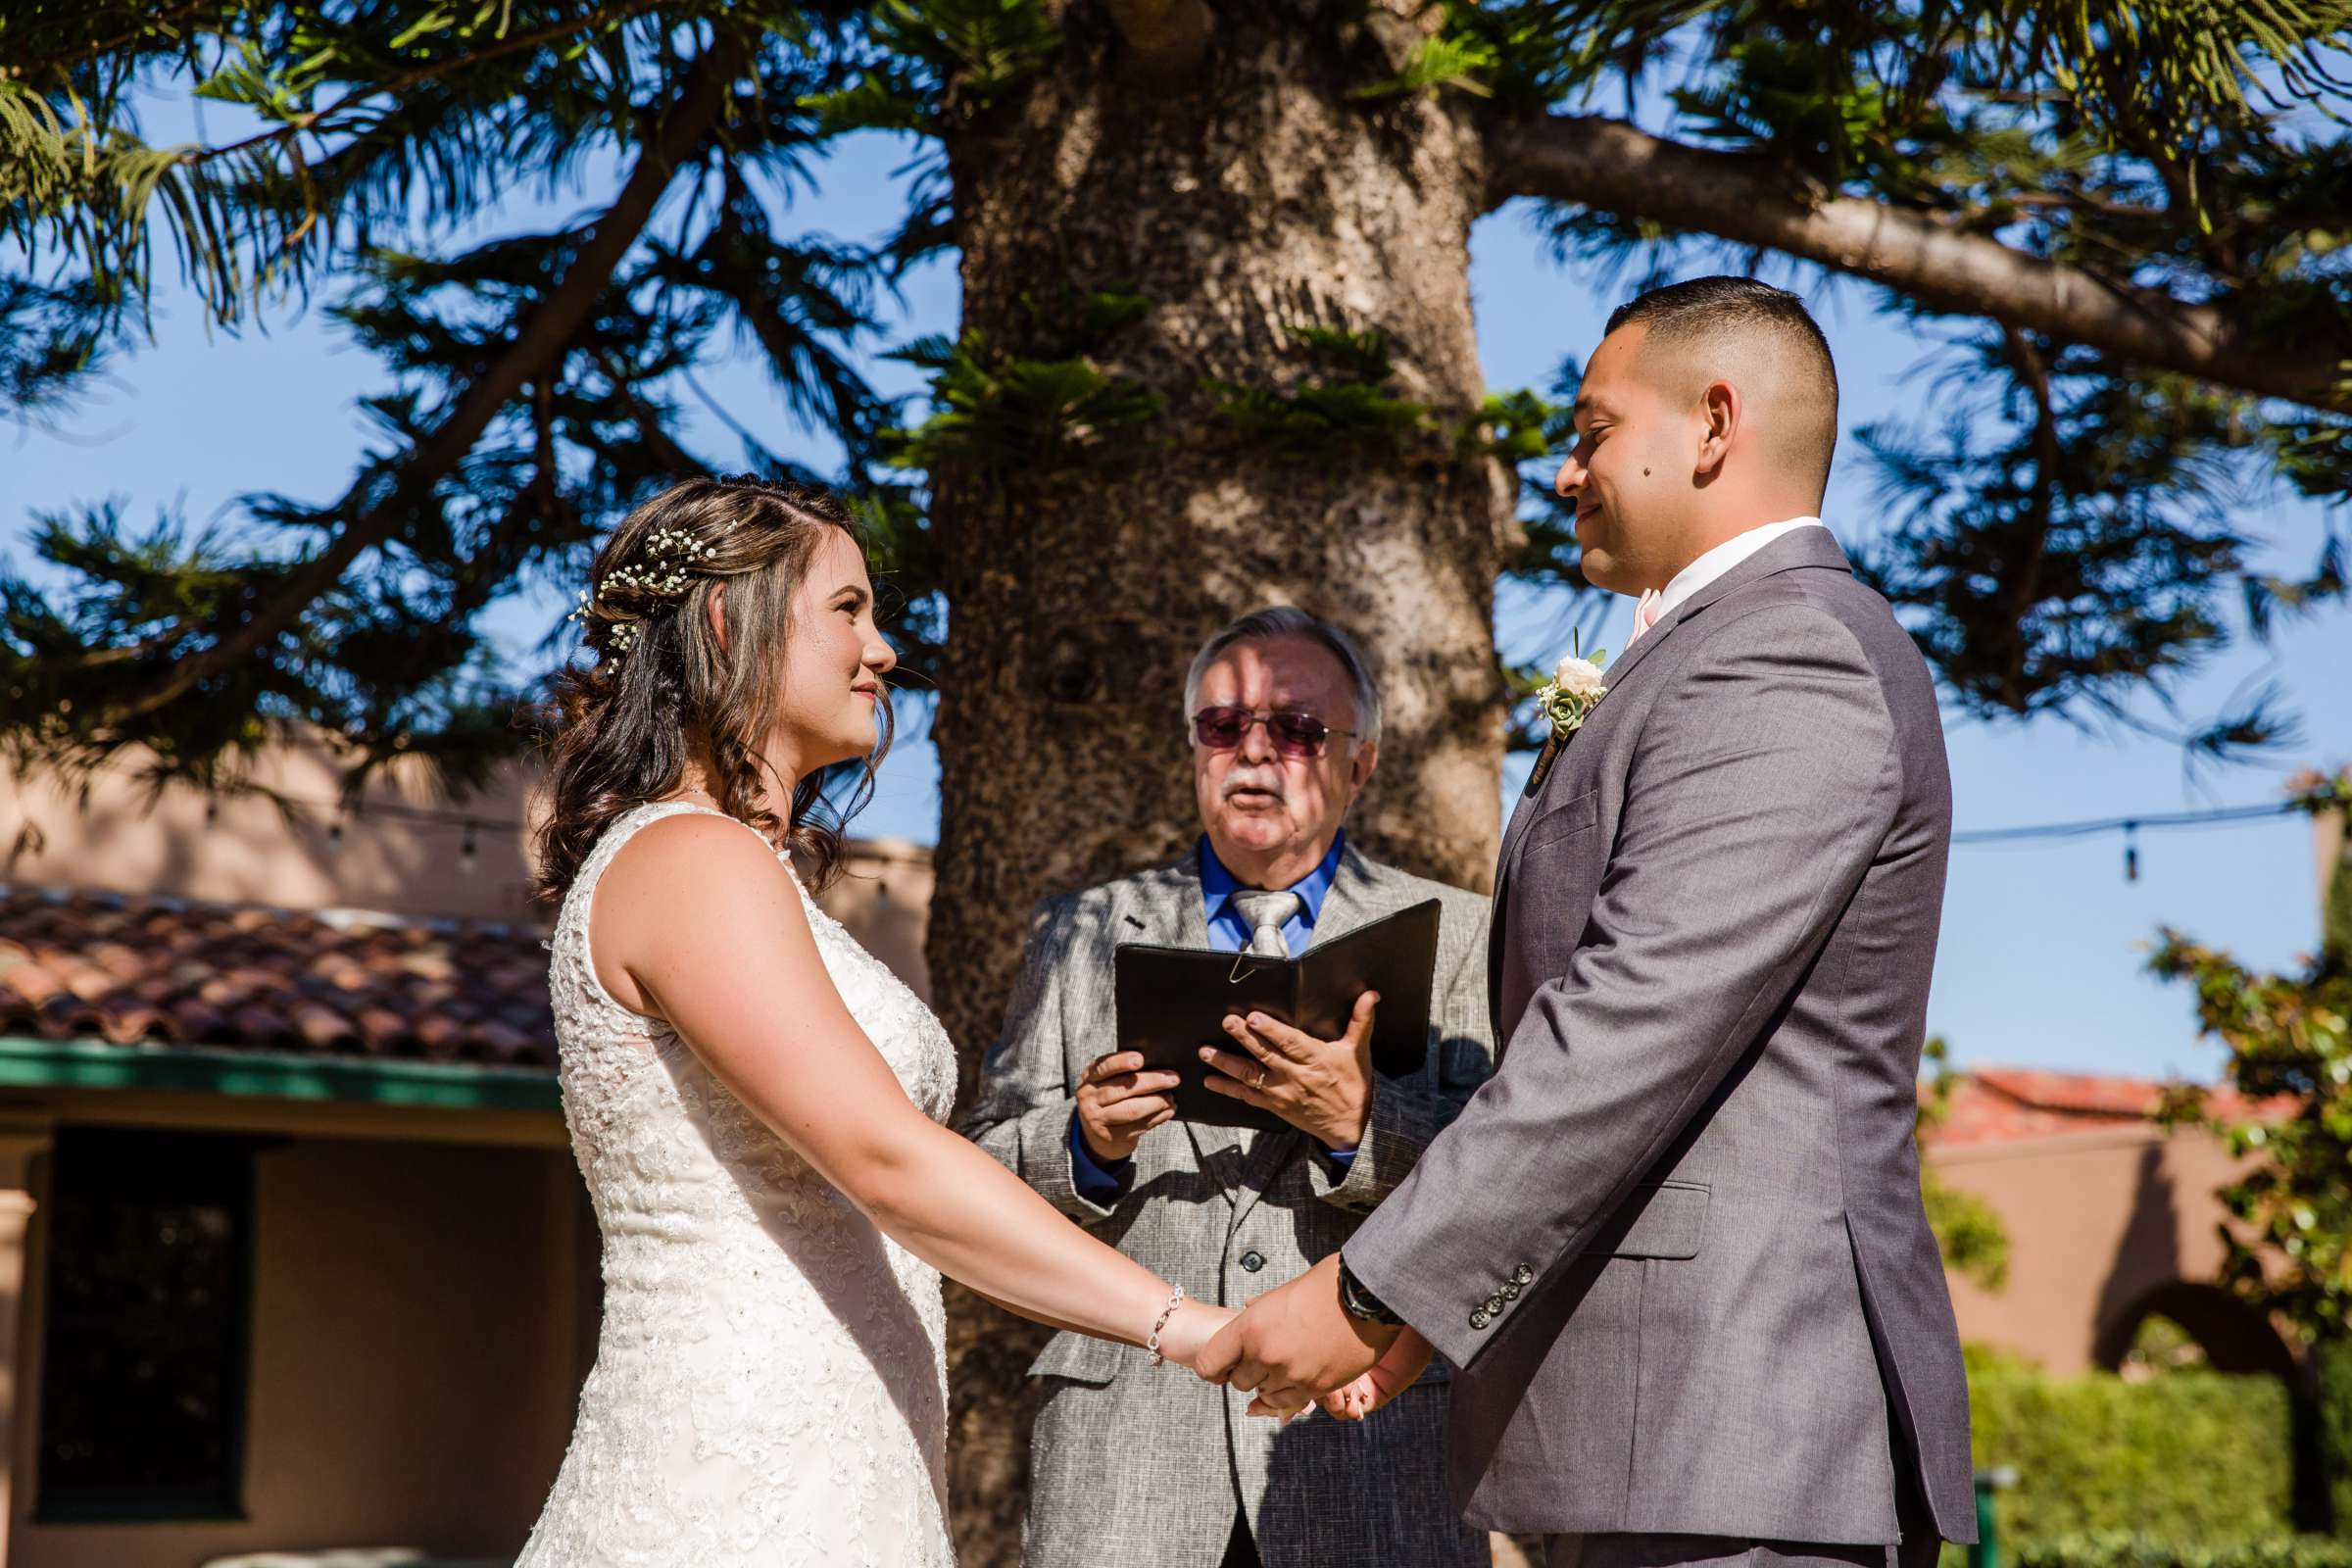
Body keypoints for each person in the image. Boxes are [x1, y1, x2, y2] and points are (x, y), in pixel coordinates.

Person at [1199, 277, 1978, 1568]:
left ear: (1714, 424)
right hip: (1639, 1433)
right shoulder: (1699, 658)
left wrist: (1373, 1282)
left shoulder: (1792, 654)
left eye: (1592, 431)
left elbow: (1630, 1026)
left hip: (1742, 1438)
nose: (1564, 473)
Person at [516, 476, 1239, 1568]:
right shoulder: (690, 859)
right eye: (847, 609)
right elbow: (887, 1161)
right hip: (737, 1484)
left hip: (840, 1460)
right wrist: (1193, 1327)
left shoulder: (736, 868)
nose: (886, 649)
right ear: (726, 618)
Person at [964, 607, 1495, 1568]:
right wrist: (1086, 1143)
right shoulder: (1081, 931)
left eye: (1296, 729)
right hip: (1127, 1468)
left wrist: (1359, 1125)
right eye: (1223, 726)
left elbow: (1509, 1187)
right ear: (1194, 749)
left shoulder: (1461, 935)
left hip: (1372, 1459)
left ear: (1359, 763)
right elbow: (974, 1186)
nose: (1256, 751)